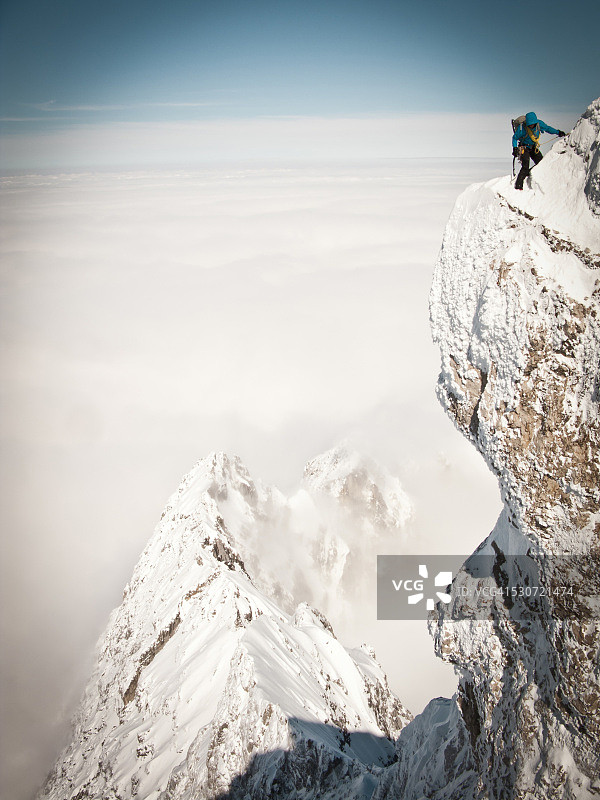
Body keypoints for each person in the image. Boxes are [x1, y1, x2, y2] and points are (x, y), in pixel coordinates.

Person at [512, 111, 566, 190]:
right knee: (525, 166)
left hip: (533, 147)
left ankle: (530, 175)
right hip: (524, 148)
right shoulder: (522, 128)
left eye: (532, 124)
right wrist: (515, 148)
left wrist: (558, 132)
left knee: (541, 163)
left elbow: (548, 128)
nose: (531, 125)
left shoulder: (539, 124)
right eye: (529, 124)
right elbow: (515, 138)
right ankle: (518, 186)